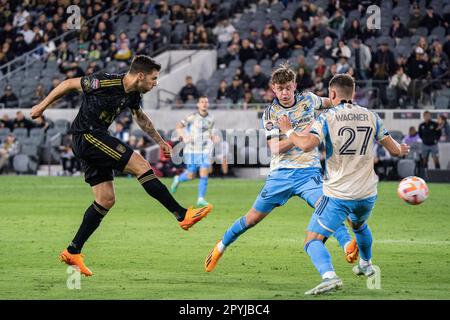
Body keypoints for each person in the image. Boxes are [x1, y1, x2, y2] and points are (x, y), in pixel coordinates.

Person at [30, 55, 213, 277]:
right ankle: (182, 215)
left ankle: (72, 251)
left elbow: (141, 118)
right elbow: (69, 84)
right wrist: (41, 106)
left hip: (94, 139)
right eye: (154, 79)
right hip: (87, 136)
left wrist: (160, 141)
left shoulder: (133, 94)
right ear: (141, 76)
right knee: (141, 165)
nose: (156, 84)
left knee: (106, 199)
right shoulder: (104, 82)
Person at [204, 63, 357, 273]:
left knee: (327, 207)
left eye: (287, 87)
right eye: (279, 88)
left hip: (308, 172)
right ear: (273, 89)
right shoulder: (270, 114)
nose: (284, 93)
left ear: (294, 85)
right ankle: (220, 247)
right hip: (281, 175)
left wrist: (347, 105)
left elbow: (333, 102)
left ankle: (348, 245)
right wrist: (298, 133)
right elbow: (275, 147)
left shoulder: (309, 100)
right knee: (251, 219)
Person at [278, 73, 410, 295]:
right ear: (354, 93)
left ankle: (329, 277)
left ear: (332, 94)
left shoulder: (328, 117)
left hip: (338, 195)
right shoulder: (371, 116)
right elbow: (396, 150)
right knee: (358, 226)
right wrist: (402, 149)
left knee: (312, 240)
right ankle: (366, 264)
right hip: (367, 194)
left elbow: (306, 145)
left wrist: (288, 130)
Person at [171, 96, 215, 207]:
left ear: (208, 104)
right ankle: (178, 178)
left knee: (204, 172)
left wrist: (213, 138)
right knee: (191, 175)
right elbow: (178, 126)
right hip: (191, 150)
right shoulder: (192, 116)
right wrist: (184, 136)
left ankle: (200, 199)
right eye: (202, 102)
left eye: (206, 102)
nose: (204, 103)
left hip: (204, 150)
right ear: (198, 105)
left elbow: (209, 133)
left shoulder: (211, 118)